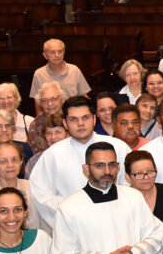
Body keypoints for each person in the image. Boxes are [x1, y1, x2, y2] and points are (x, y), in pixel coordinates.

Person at [29, 96, 131, 230]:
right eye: (73, 119)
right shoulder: (53, 155)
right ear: (65, 123)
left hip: (116, 221)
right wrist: (74, 209)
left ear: (94, 119)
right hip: (73, 225)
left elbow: (130, 184)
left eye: (85, 118)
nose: (80, 123)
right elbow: (40, 194)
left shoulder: (118, 147)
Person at [0, 141, 41, 243]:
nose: (10, 165)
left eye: (14, 160)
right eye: (3, 161)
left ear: (21, 162)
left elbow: (44, 229)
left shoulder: (33, 189)